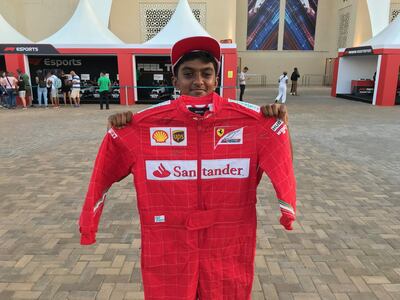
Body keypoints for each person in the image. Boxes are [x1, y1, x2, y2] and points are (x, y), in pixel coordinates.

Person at [79, 36, 296, 300]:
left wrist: (280, 126)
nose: (199, 81)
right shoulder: (145, 126)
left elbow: (282, 157)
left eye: (206, 73)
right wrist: (89, 224)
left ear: (216, 80)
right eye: (188, 73)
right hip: (168, 241)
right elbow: (102, 173)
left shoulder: (251, 122)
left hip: (227, 240)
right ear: (175, 80)